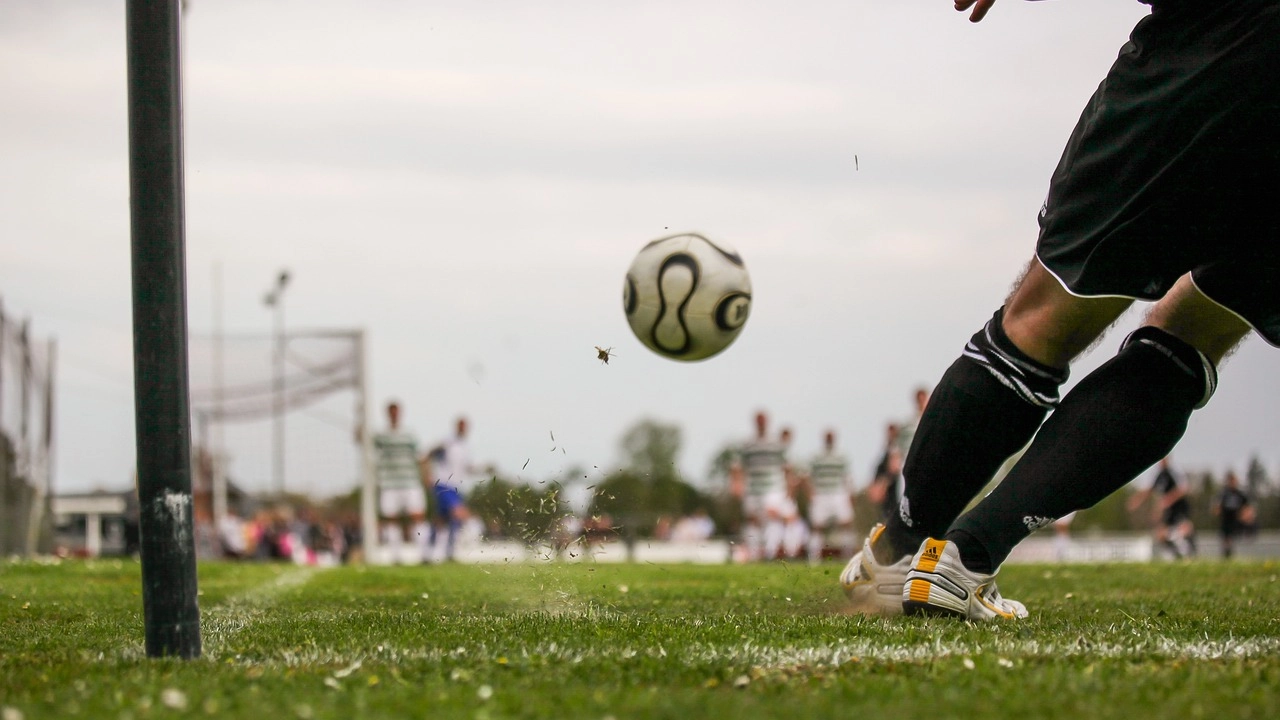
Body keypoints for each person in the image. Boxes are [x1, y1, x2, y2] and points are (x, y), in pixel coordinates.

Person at [843, 0, 1278, 620]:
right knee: (1195, 334)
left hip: (1214, 42)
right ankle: (965, 559)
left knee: (1041, 319)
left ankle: (900, 553)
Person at [727, 411, 789, 561]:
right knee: (752, 519)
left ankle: (770, 553)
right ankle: (754, 555)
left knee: (772, 515)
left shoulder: (776, 442)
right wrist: (736, 483)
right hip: (753, 487)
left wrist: (787, 486)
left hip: (772, 486)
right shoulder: (748, 443)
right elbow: (738, 465)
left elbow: (785, 465)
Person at [373, 401, 430, 563]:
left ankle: (424, 555)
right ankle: (395, 556)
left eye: (396, 412)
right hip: (388, 483)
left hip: (410, 482)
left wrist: (426, 474)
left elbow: (420, 456)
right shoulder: (380, 436)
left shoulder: (409, 434)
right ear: (387, 414)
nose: (394, 415)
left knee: (418, 516)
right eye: (391, 412)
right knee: (391, 518)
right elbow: (364, 444)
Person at [1127, 456, 1198, 560]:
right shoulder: (1159, 475)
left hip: (1179, 507)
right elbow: (1149, 490)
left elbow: (1183, 488)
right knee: (1160, 534)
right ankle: (1176, 555)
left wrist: (1169, 499)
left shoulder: (1174, 472)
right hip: (1168, 510)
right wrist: (1137, 500)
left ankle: (1191, 552)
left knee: (1185, 529)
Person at [425, 416, 475, 562]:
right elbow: (427, 455)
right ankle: (449, 551)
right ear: (456, 426)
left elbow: (467, 468)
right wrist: (426, 474)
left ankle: (431, 552)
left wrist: (483, 469)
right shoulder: (447, 442)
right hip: (443, 484)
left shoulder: (465, 446)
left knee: (441, 520)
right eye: (461, 425)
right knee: (459, 513)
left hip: (457, 486)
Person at [806, 430, 856, 562]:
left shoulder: (841, 457)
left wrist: (850, 494)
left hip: (838, 493)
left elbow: (847, 477)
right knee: (817, 526)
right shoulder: (817, 457)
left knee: (846, 523)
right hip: (821, 493)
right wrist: (811, 493)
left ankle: (848, 556)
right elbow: (810, 476)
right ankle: (814, 558)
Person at [1212, 470, 1254, 559]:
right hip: (1226, 520)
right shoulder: (1223, 493)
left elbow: (1248, 507)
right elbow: (1216, 507)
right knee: (1226, 540)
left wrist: (1245, 516)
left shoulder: (1240, 494)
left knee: (1236, 539)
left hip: (1237, 521)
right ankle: (1227, 556)